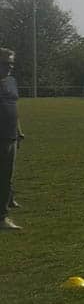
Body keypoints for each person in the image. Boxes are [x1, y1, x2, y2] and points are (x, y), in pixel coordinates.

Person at [0, 48, 23, 230]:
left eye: (12, 63)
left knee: (7, 175)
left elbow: (13, 107)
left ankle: (8, 199)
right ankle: (2, 218)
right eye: (6, 63)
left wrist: (19, 130)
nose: (10, 67)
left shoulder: (11, 81)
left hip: (11, 136)